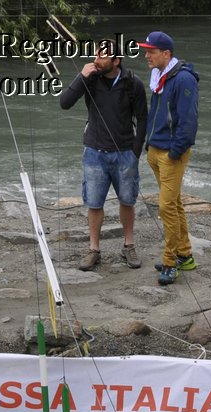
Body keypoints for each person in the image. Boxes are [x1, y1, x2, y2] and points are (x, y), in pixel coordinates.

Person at [57, 38, 147, 271]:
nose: (97, 60)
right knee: (94, 203)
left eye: (102, 56)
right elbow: (64, 103)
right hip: (94, 152)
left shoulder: (132, 83)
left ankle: (128, 245)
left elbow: (143, 119)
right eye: (96, 54)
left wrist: (135, 153)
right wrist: (81, 76)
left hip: (125, 152)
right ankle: (94, 250)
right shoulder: (90, 80)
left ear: (116, 61)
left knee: (127, 201)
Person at [139, 31, 199, 286]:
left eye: (151, 51)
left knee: (165, 208)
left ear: (166, 54)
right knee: (173, 205)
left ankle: (169, 261)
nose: (146, 55)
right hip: (155, 149)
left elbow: (189, 121)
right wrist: (148, 145)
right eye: (146, 50)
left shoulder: (184, 79)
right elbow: (158, 115)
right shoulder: (159, 76)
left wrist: (175, 152)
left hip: (171, 154)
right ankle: (185, 255)